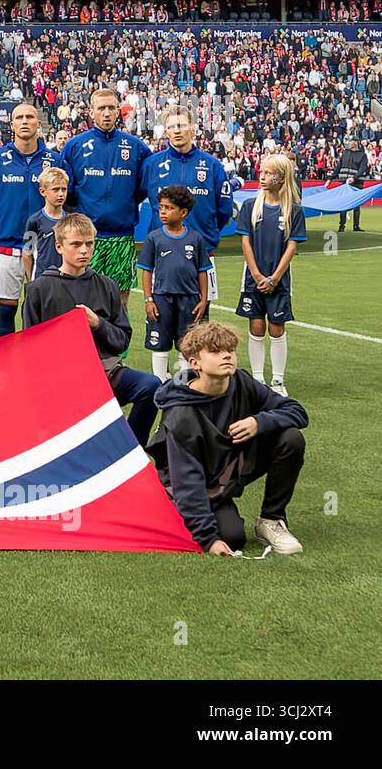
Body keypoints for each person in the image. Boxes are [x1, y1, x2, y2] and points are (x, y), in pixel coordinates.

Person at [148, 322, 308, 556]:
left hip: (230, 464)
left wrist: (259, 422)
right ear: (195, 363)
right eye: (215, 351)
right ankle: (177, 510)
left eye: (230, 351)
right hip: (198, 483)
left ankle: (271, 520)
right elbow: (187, 479)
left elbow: (297, 411)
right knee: (232, 537)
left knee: (290, 438)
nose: (226, 356)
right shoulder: (181, 414)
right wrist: (208, 539)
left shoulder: (241, 382)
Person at [22, 214, 159, 449]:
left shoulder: (107, 285)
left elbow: (122, 341)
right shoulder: (39, 289)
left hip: (106, 373)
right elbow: (29, 348)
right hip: (61, 380)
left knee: (151, 386)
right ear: (59, 246)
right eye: (76, 244)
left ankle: (129, 451)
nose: (84, 250)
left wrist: (98, 322)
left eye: (89, 243)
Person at [61, 88, 152, 311]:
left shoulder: (136, 147)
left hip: (121, 237)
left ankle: (119, 347)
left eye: (112, 107)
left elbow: (142, 188)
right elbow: (68, 192)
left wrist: (124, 204)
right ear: (92, 112)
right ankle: (85, 348)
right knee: (81, 304)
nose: (107, 113)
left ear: (118, 111)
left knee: (119, 304)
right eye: (101, 108)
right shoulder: (74, 146)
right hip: (86, 239)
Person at [139, 105, 232, 317]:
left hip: (202, 253)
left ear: (193, 128)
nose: (177, 131)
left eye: (182, 125)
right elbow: (138, 195)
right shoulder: (152, 164)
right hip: (161, 253)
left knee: (199, 322)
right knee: (160, 319)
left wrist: (205, 233)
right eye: (171, 127)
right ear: (166, 131)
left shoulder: (212, 165)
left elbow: (224, 210)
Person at [0, 101, 64, 338]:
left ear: (39, 124)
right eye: (19, 118)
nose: (25, 122)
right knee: (6, 310)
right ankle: (5, 366)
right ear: (11, 124)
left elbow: (65, 198)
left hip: (45, 248)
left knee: (41, 312)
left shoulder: (55, 160)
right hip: (7, 245)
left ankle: (39, 364)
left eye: (30, 117)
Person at [236, 154, 306, 396]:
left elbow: (292, 246)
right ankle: (257, 379)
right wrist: (256, 275)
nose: (262, 177)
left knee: (277, 327)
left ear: (281, 178)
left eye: (268, 173)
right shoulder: (249, 207)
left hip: (279, 280)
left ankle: (277, 380)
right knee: (256, 325)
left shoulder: (294, 211)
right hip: (252, 278)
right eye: (261, 172)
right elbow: (245, 242)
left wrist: (275, 277)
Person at [137, 185, 212, 382]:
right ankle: (160, 382)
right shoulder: (154, 237)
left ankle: (184, 383)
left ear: (183, 212)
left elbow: (203, 272)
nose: (163, 212)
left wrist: (204, 299)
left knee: (186, 344)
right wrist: (148, 299)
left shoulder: (196, 238)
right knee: (159, 343)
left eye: (169, 208)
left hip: (189, 300)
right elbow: (146, 270)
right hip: (162, 298)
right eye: (161, 207)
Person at [22, 165, 68, 282]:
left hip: (67, 279)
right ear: (43, 192)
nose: (61, 194)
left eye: (64, 189)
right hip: (42, 280)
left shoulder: (70, 221)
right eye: (56, 189)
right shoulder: (34, 221)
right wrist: (31, 282)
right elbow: (27, 254)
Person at [334, 135, 369, 232]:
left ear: (356, 142)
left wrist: (354, 178)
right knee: (343, 204)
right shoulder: (345, 153)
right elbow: (339, 166)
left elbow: (362, 169)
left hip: (356, 183)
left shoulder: (362, 155)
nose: (349, 143)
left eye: (351, 141)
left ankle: (356, 226)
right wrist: (331, 177)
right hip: (345, 183)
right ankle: (342, 225)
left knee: (356, 205)